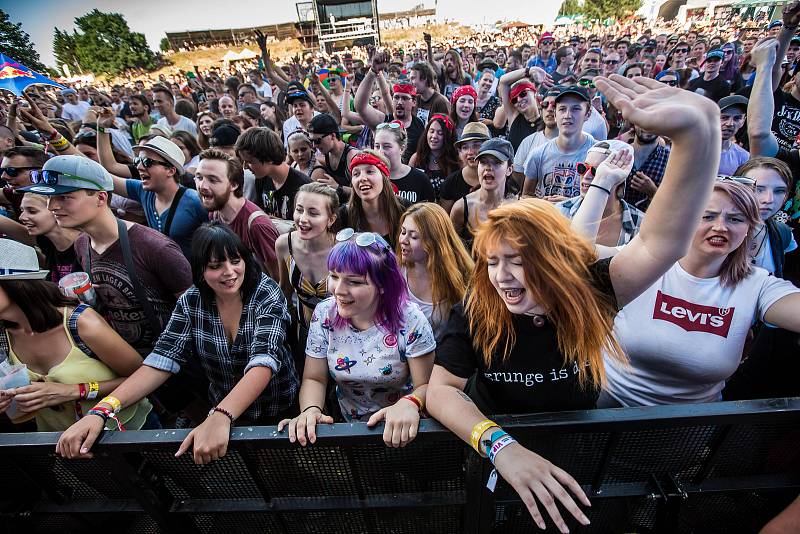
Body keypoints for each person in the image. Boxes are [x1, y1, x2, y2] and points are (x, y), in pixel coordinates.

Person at [426, 74, 723, 532]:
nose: (502, 276)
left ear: (551, 260)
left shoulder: (591, 289)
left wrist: (699, 134)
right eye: (492, 261)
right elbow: (441, 390)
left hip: (577, 451)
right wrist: (503, 448)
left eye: (519, 261)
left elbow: (663, 241)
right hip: (496, 455)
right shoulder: (478, 306)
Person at [57, 223, 300, 463]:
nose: (229, 272)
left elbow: (263, 360)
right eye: (216, 266)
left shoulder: (265, 293)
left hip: (276, 406)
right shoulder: (191, 301)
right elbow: (162, 360)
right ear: (200, 271)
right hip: (225, 408)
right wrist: (102, 410)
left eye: (235, 261)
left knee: (281, 466)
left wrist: (221, 415)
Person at [586, 178, 800, 407]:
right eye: (707, 216)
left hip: (692, 428)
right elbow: (575, 251)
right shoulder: (643, 262)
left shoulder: (757, 285)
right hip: (609, 415)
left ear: (749, 229)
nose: (720, 226)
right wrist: (602, 182)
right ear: (684, 220)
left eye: (735, 219)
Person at [19, 156, 192, 357]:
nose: (52, 206)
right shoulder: (82, 244)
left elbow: (194, 313)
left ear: (101, 198)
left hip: (174, 362)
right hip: (126, 358)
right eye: (50, 198)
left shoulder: (155, 247)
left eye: (64, 197)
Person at [278, 229, 435, 448]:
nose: (338, 290)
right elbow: (315, 378)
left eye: (354, 282)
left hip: (402, 431)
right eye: (334, 276)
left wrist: (410, 403)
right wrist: (311, 410)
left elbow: (427, 386)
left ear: (382, 284)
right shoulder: (324, 314)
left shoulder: (410, 320)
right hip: (349, 429)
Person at [0, 239, 153, 431]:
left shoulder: (81, 323)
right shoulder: (4, 335)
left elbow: (144, 377)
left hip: (126, 434)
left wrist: (74, 391)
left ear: (15, 286)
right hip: (61, 445)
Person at [108, 136, 207, 258]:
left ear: (171, 171)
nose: (139, 167)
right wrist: (101, 129)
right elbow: (104, 178)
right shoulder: (144, 191)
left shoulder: (195, 201)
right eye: (137, 161)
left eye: (147, 162)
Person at [275, 183, 338, 363]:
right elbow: (284, 291)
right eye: (299, 210)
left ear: (331, 219)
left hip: (341, 335)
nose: (302, 219)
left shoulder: (342, 249)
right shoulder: (284, 245)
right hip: (305, 332)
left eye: (313, 213)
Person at [194, 148, 280, 280]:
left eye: (213, 180)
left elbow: (278, 279)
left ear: (233, 184)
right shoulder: (215, 214)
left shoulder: (257, 225)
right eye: (199, 177)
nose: (202, 186)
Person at [398, 203, 473, 340]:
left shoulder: (460, 277)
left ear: (434, 242)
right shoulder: (395, 271)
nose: (403, 240)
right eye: (403, 232)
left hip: (440, 357)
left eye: (413, 237)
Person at [557, 140, 644, 247]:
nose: (587, 175)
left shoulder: (640, 225)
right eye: (583, 168)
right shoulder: (559, 212)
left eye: (597, 171)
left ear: (620, 179)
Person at [522, 86, 596, 200]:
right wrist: (543, 205)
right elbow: (526, 195)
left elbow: (605, 202)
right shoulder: (538, 154)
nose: (567, 115)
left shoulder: (597, 155)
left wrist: (567, 205)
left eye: (575, 109)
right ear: (555, 114)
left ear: (588, 114)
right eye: (562, 109)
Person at [354, 53, 425, 164]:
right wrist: (373, 71)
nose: (400, 102)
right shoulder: (382, 121)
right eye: (396, 97)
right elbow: (360, 106)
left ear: (414, 102)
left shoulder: (419, 125)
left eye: (405, 98)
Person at [450, 138, 518, 247]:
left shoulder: (518, 209)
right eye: (483, 162)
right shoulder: (461, 208)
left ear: (509, 169)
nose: (488, 168)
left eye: (496, 163)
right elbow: (452, 252)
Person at [736, 157, 797, 276]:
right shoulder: (706, 230)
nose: (769, 199)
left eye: (779, 191)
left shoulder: (783, 234)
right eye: (758, 189)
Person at [236, 127, 311, 221]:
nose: (245, 167)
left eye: (250, 161)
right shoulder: (261, 178)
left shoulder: (303, 186)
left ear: (268, 158)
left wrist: (278, 223)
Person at [336, 150, 407, 247]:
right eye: (356, 174)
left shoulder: (404, 208)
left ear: (384, 177)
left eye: (369, 171)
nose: (362, 178)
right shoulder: (344, 215)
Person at [374, 122, 435, 204]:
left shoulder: (420, 179)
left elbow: (430, 214)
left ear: (401, 149)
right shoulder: (370, 178)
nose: (380, 152)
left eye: (387, 146)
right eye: (377, 146)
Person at [512, 88, 560, 185]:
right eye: (545, 105)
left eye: (555, 105)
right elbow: (518, 175)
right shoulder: (528, 141)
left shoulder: (575, 142)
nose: (549, 109)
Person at [439, 122, 489, 214]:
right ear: (460, 152)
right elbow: (445, 221)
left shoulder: (498, 179)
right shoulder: (451, 183)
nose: (470, 152)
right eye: (465, 147)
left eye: (476, 145)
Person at [409, 114, 460, 200]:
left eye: (440, 133)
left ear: (447, 136)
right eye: (431, 131)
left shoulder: (456, 160)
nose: (434, 136)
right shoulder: (416, 158)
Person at [308, 113, 357, 199]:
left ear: (333, 136)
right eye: (311, 141)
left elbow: (363, 192)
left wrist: (338, 188)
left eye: (317, 140)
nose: (314, 145)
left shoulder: (352, 157)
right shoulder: (326, 154)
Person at [624, 125, 671, 211]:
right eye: (642, 120)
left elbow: (674, 205)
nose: (647, 125)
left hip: (648, 223)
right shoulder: (619, 152)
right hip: (615, 222)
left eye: (654, 122)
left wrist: (653, 192)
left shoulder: (670, 160)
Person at [1, 147, 48, 216]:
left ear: (39, 172)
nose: (3, 176)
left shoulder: (57, 199)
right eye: (2, 170)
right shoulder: (18, 193)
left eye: (11, 170)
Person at [717, 95, 750, 175]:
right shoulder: (695, 147)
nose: (730, 124)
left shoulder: (743, 157)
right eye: (724, 117)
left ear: (743, 121)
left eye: (737, 118)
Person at [282, 81, 320, 148]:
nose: (298, 108)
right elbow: (288, 152)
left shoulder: (321, 119)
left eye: (302, 105)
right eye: (295, 106)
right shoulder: (287, 124)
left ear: (312, 108)